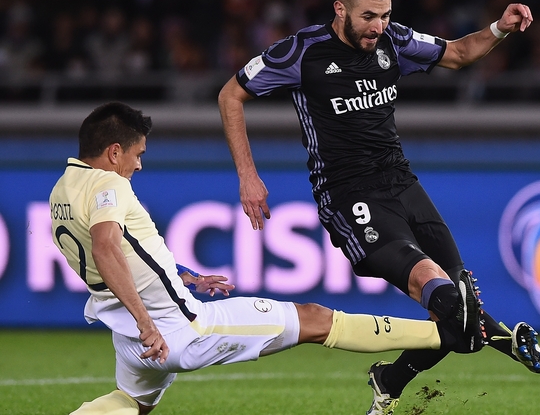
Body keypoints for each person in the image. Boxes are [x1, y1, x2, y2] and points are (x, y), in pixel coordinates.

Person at [217, 0, 540, 413]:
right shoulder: (303, 51)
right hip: (348, 195)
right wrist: (247, 175)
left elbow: (456, 52)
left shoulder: (393, 39)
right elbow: (230, 96)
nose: (378, 26)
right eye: (369, 16)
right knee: (453, 302)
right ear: (341, 10)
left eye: (385, 15)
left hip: (403, 183)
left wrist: (498, 28)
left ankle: (388, 381)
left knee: (458, 316)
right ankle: (507, 344)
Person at [50, 101, 485, 415]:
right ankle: (445, 334)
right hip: (176, 329)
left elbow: (124, 252)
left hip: (127, 335)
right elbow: (108, 246)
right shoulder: (111, 187)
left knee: (131, 403)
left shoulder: (63, 191)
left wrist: (185, 275)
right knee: (315, 319)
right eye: (137, 154)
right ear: (113, 151)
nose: (138, 166)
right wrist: (149, 324)